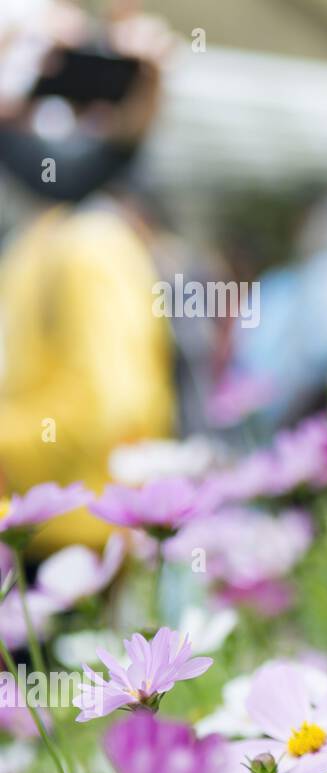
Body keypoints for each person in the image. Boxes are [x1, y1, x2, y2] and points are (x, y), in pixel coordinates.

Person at [0, 2, 175, 551]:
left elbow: (101, 409)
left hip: (71, 534)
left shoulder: (88, 241)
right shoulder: (43, 234)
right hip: (52, 525)